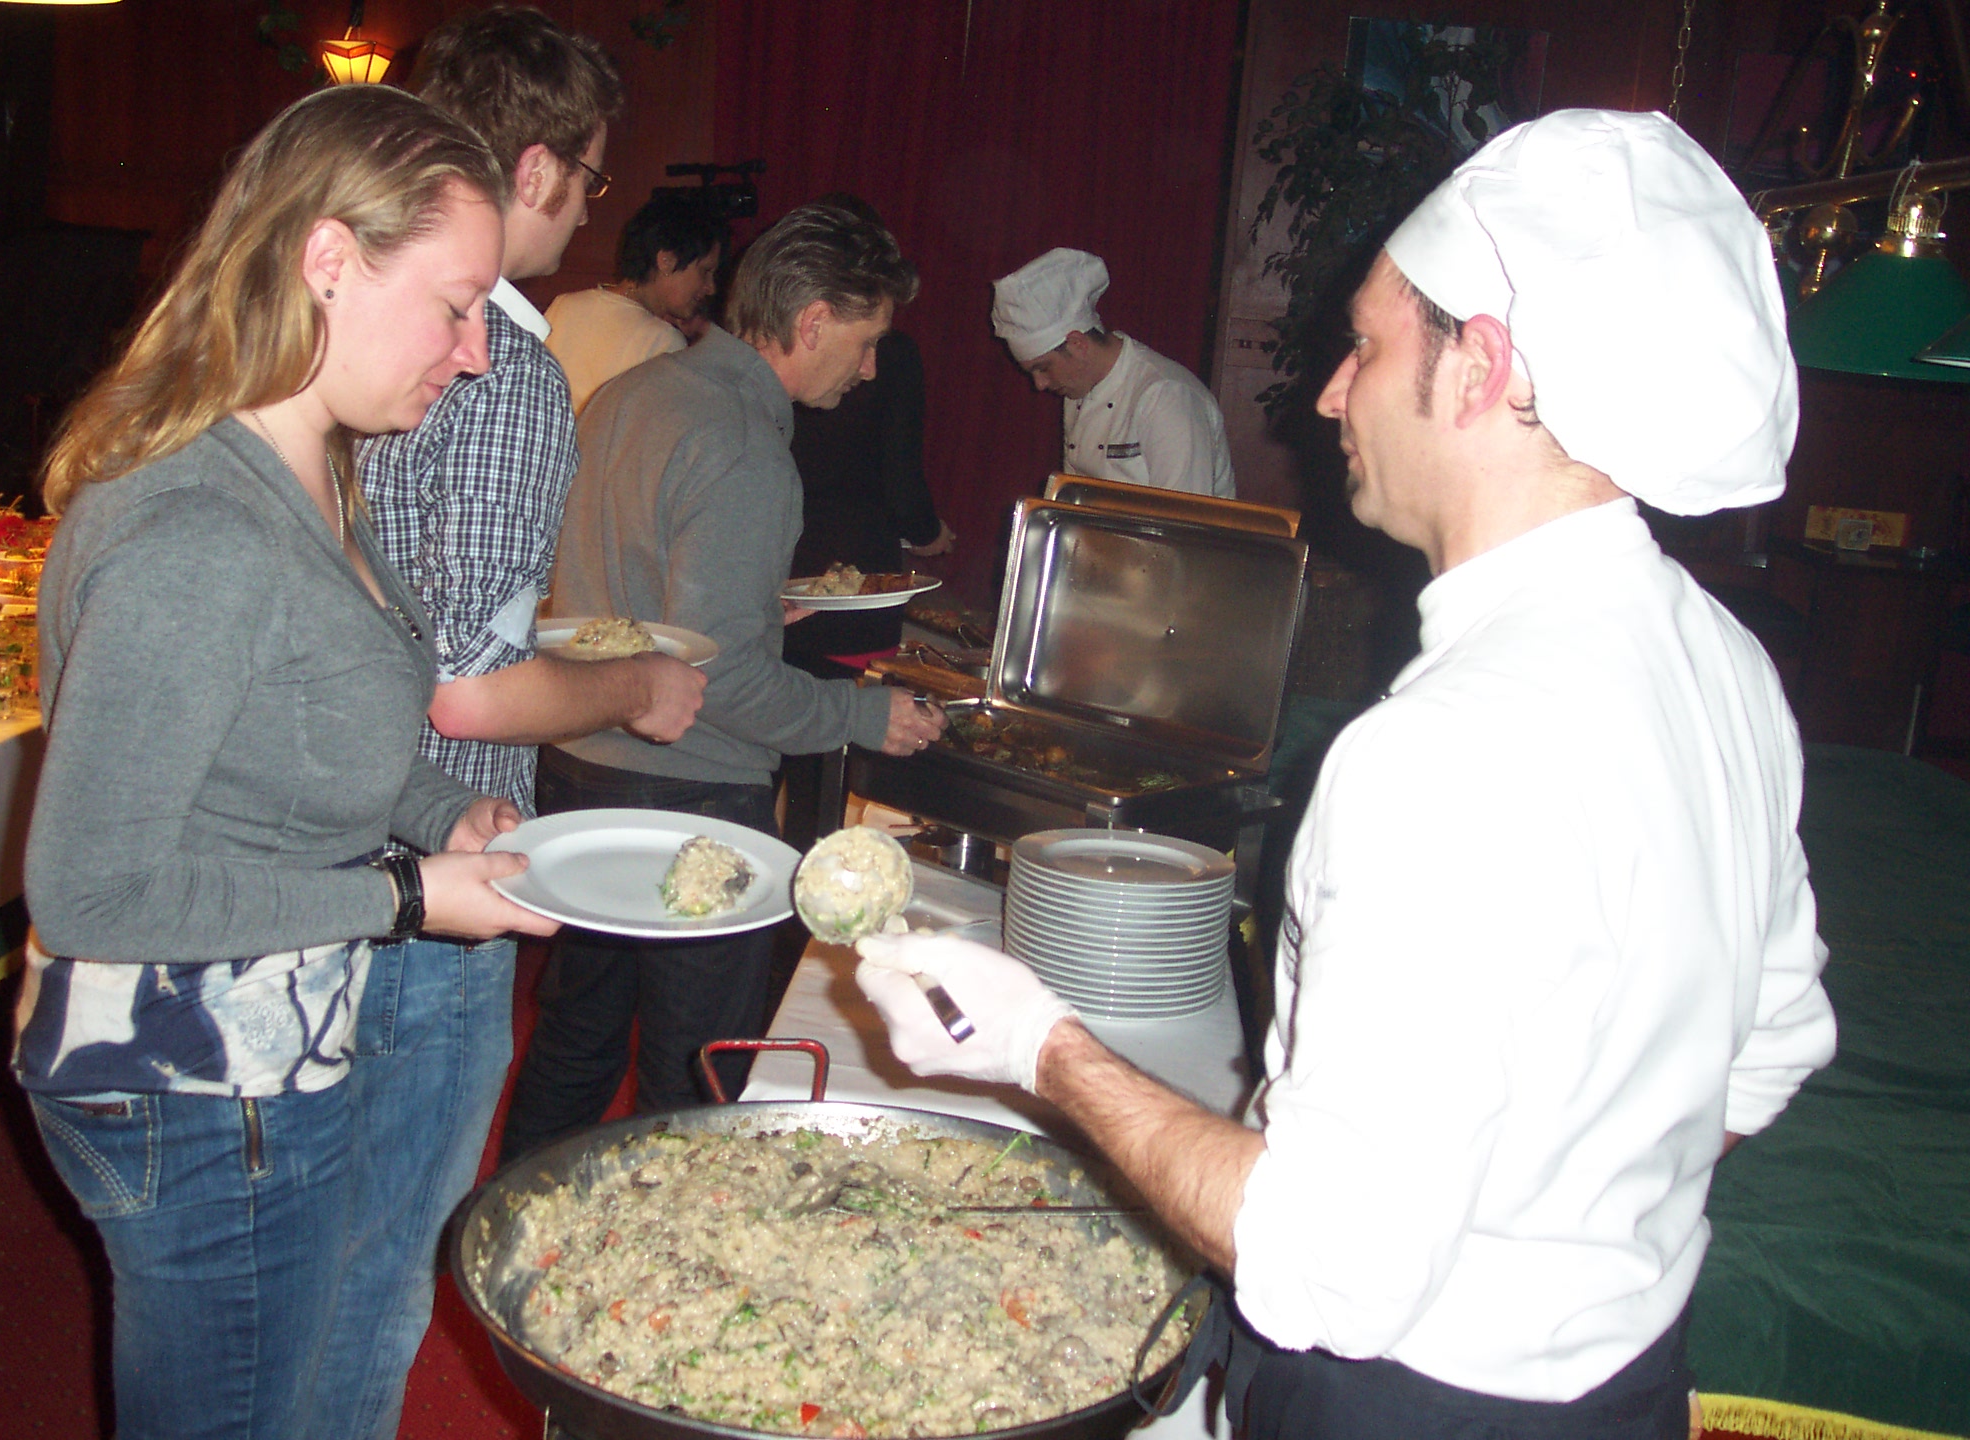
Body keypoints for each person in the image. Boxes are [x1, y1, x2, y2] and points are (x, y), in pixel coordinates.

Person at [858, 110, 1837, 1438]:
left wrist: (1038, 1043)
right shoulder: (1723, 659)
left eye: (1367, 347)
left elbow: (1328, 1269)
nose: (1330, 395)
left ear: (1479, 369)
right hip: (1629, 1389)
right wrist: (1565, 1205)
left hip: (1413, 1405)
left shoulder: (1438, 756)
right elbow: (1772, 1048)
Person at [16, 85, 555, 1440]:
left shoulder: (310, 468)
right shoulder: (199, 532)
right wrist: (409, 896)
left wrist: (446, 812)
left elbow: (303, 736)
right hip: (201, 1085)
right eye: (455, 306)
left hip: (262, 1048)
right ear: (327, 260)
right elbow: (88, 891)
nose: (476, 354)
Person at [315, 11, 705, 1440]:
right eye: (590, 178)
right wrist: (633, 685)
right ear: (534, 168)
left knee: (306, 1244)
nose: (591, 210)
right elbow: (464, 685)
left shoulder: (336, 326)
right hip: (436, 865)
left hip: (325, 828)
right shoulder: (511, 370)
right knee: (377, 1265)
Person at [497, 200, 946, 1162]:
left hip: (580, 772)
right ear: (812, 321)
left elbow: (629, 592)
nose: (870, 369)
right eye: (866, 342)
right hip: (690, 798)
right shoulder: (744, 443)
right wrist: (865, 713)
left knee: (575, 1039)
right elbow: (729, 680)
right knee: (697, 1074)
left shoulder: (631, 392)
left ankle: (521, 1226)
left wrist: (753, 606)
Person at [785, 194, 952, 673]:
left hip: (788, 570)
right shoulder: (894, 356)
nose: (868, 366)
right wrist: (928, 532)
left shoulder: (779, 352)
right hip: (855, 578)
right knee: (845, 705)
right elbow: (902, 476)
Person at [991, 246, 1235, 497]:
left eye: (1043, 368)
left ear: (1077, 344)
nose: (1040, 384)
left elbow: (1183, 514)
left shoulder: (1165, 395)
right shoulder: (1079, 390)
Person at [546, 192, 729, 412]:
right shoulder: (664, 342)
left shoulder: (565, 305)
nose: (710, 287)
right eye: (705, 271)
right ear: (666, 261)